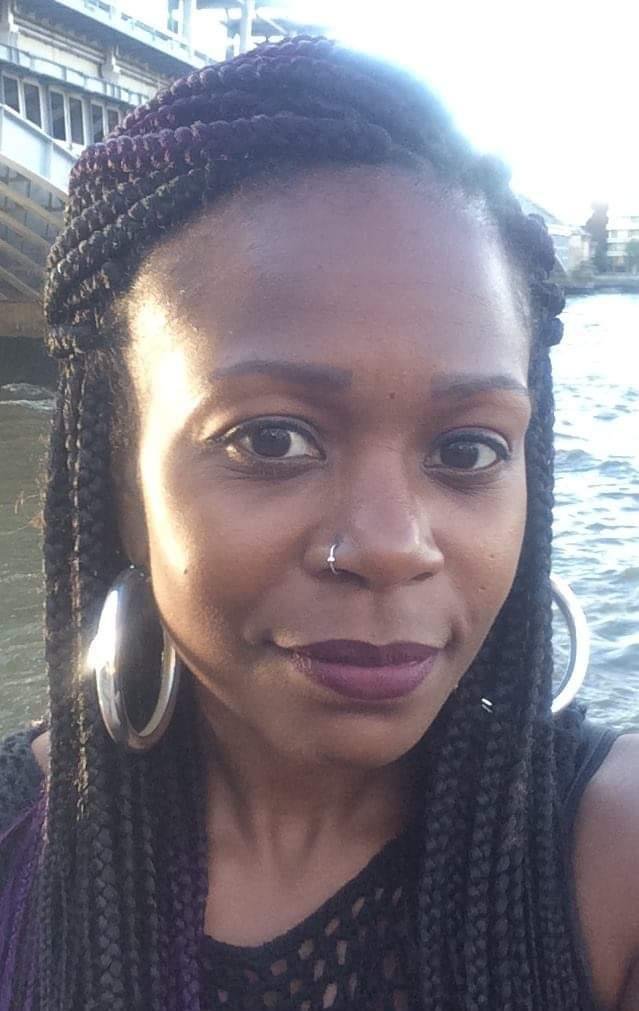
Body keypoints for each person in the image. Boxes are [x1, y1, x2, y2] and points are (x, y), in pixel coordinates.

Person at [0, 35, 637, 1011]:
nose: (390, 544)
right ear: (122, 487)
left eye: (468, 451)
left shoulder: (614, 857)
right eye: (270, 440)